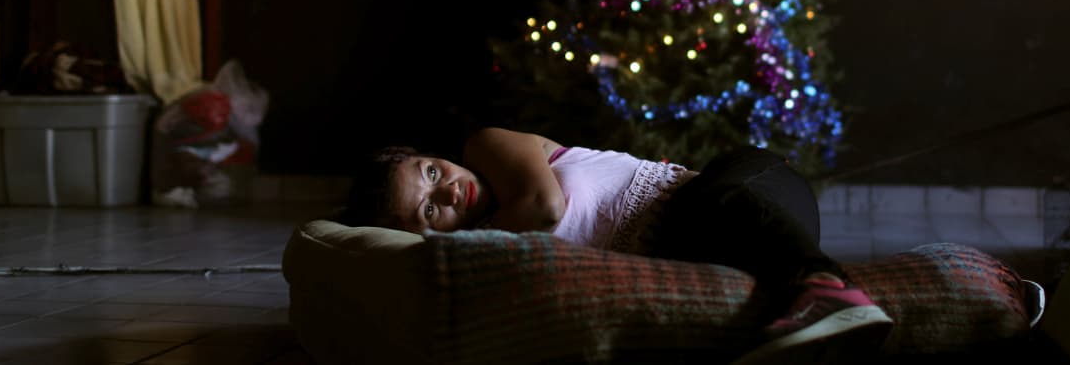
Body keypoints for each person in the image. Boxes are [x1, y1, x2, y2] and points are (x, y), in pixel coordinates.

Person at [342, 126, 893, 364]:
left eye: (431, 171)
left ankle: (827, 285)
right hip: (709, 248)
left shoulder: (485, 147)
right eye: (430, 210)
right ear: (422, 236)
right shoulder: (486, 257)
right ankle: (818, 309)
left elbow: (545, 208)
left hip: (751, 188)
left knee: (702, 202)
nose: (449, 189)